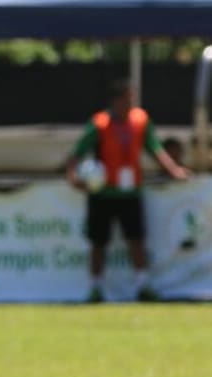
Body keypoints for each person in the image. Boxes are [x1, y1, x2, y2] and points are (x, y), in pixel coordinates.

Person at [65, 79, 189, 303]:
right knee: (98, 242)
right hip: (102, 192)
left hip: (130, 192)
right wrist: (72, 175)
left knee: (137, 240)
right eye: (126, 98)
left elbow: (155, 149)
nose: (130, 102)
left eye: (132, 98)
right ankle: (95, 289)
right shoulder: (100, 124)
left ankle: (142, 286)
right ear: (115, 101)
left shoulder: (140, 120)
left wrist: (174, 170)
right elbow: (78, 152)